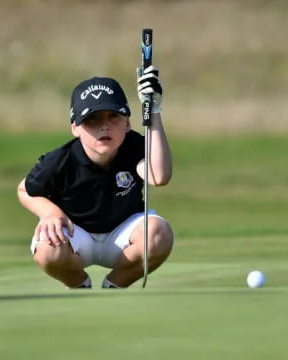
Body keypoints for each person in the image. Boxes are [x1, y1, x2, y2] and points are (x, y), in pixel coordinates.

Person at [17, 66, 174, 288]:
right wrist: (50, 213)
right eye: (92, 119)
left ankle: (114, 286)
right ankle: (80, 285)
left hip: (124, 233)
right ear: (75, 127)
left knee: (159, 233)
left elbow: (158, 176)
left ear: (128, 123)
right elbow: (24, 190)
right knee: (46, 249)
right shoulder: (60, 160)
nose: (104, 126)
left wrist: (154, 109)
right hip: (75, 235)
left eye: (114, 116)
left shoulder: (135, 146)